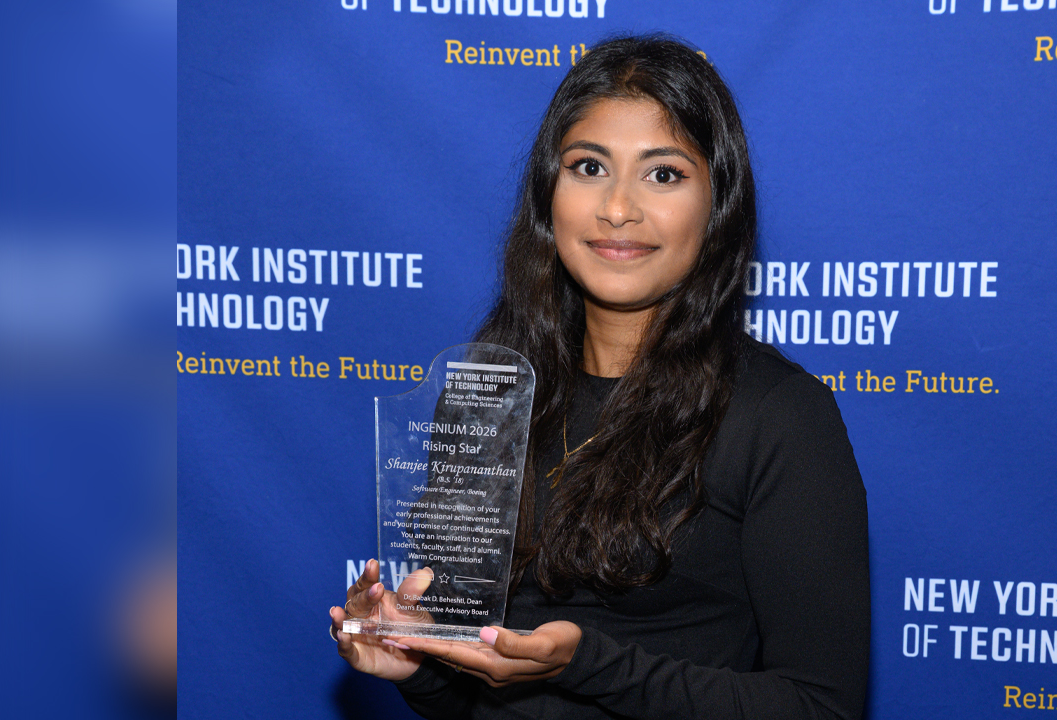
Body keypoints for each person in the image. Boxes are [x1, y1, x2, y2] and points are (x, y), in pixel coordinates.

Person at [329, 34, 870, 720]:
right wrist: (413, 661)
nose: (618, 207)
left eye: (663, 174)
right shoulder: (488, 392)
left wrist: (590, 665)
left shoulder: (777, 415)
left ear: (718, 204)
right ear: (548, 197)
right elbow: (474, 697)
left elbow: (821, 707)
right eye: (588, 166)